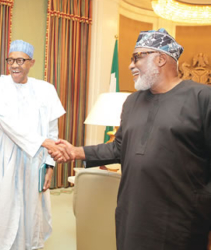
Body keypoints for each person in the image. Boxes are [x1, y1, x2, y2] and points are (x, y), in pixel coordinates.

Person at [50, 28, 211, 250]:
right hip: (133, 215)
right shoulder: (132, 102)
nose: (131, 65)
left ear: (161, 59)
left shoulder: (203, 98)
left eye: (138, 57)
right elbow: (118, 148)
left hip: (182, 220)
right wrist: (76, 151)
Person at [0, 40, 68, 250]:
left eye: (20, 60)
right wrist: (42, 142)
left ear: (31, 62)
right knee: (3, 214)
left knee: (31, 215)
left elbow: (53, 131)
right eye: (10, 60)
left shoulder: (46, 90)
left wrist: (50, 165)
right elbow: (6, 123)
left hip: (34, 162)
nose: (14, 65)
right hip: (3, 162)